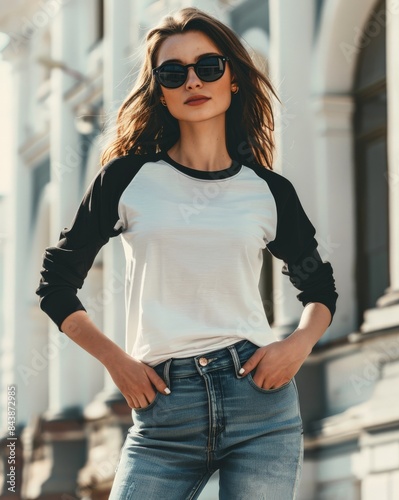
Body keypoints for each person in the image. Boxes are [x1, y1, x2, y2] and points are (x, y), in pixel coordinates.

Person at [36, 7, 338, 500]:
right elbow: (56, 285)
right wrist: (116, 362)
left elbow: (319, 287)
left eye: (208, 66)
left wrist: (296, 346)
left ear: (233, 77)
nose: (192, 81)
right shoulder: (126, 180)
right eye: (173, 73)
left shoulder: (268, 190)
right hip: (164, 411)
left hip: (261, 408)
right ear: (159, 89)